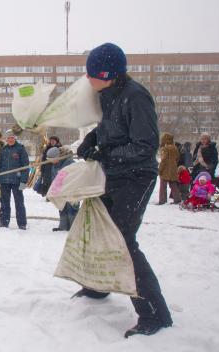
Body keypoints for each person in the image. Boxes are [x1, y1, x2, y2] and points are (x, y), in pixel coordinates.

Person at [76, 43, 173, 337]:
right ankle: (97, 286)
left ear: (108, 74)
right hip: (114, 174)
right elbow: (108, 127)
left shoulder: (136, 97)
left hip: (136, 177)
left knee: (121, 240)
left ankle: (155, 314)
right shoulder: (106, 95)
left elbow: (145, 146)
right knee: (95, 229)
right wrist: (91, 140)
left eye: (92, 74)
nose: (87, 79)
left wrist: (106, 154)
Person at [0, 131, 29, 230]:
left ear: (15, 138)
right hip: (4, 180)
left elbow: (25, 166)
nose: (10, 139)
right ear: (6, 139)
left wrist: (23, 180)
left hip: (17, 181)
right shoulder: (3, 150)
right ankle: (4, 222)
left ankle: (22, 224)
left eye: (12, 138)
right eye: (8, 138)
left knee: (19, 203)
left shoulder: (20, 149)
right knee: (4, 203)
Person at [46, 146, 79, 231]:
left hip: (72, 190)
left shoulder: (70, 163)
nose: (51, 162)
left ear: (57, 157)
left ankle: (74, 228)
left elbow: (75, 176)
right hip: (61, 191)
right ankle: (63, 226)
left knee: (72, 208)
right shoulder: (55, 165)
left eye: (52, 159)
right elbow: (54, 178)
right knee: (62, 207)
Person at [158, 133, 181, 204]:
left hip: (165, 169)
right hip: (173, 169)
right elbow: (177, 158)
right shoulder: (175, 148)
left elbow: (163, 160)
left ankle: (162, 200)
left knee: (163, 186)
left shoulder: (165, 148)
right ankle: (177, 199)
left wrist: (160, 169)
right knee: (173, 184)